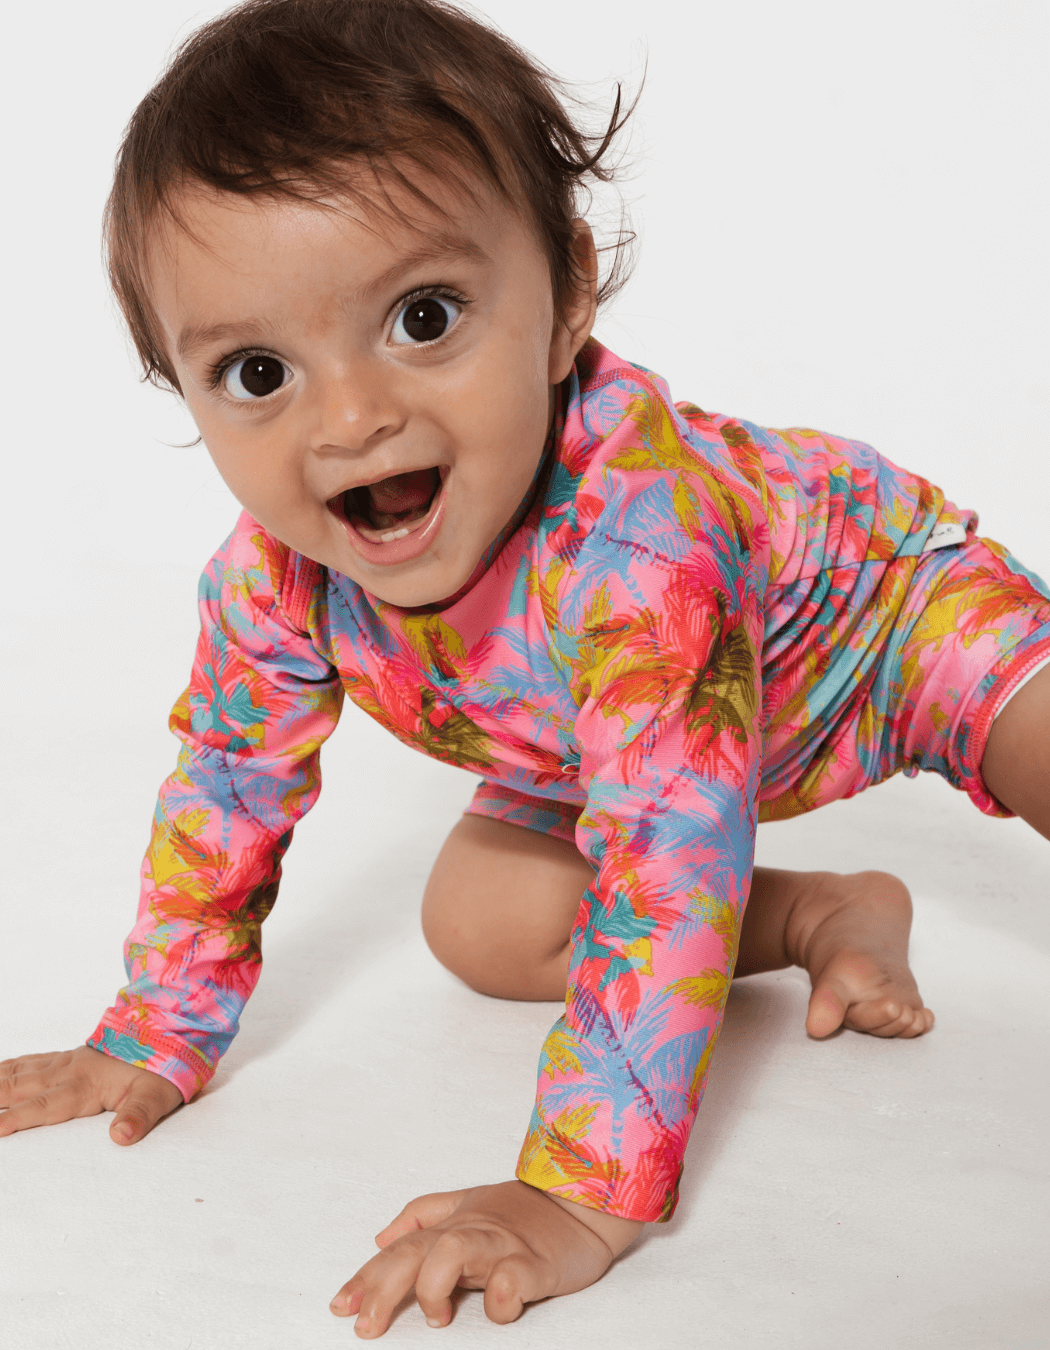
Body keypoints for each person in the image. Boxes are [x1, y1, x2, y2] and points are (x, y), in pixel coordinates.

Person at [1, 0, 1048, 1337]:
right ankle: (819, 911)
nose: (353, 415)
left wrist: (583, 1190)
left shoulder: (637, 545)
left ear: (563, 300)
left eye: (422, 316)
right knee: (483, 924)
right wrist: (155, 1030)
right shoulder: (275, 579)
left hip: (882, 627)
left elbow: (666, 846)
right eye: (258, 369)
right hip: (609, 748)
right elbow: (227, 789)